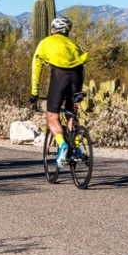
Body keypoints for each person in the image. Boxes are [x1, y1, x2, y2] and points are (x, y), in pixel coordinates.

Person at [30, 17, 90, 168]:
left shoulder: (45, 42)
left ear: (53, 30)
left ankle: (62, 144)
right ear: (67, 32)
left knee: (52, 116)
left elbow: (36, 67)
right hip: (77, 77)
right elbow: (83, 67)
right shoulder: (74, 45)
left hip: (60, 76)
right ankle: (75, 147)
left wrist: (34, 92)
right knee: (71, 112)